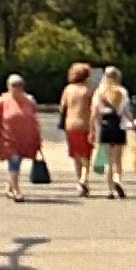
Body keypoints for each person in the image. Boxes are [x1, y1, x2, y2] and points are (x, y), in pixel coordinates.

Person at [0, 74, 43, 200]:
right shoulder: (1, 101)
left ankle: (9, 187)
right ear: (8, 86)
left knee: (17, 162)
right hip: (7, 139)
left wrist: (38, 138)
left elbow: (35, 120)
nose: (17, 88)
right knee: (14, 160)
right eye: (14, 85)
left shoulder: (30, 100)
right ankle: (17, 191)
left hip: (25, 139)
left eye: (20, 85)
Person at [90, 66, 136, 200]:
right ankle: (117, 179)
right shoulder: (122, 91)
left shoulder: (100, 92)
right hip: (119, 125)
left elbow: (94, 112)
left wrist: (93, 129)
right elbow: (127, 111)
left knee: (109, 161)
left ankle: (110, 190)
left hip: (105, 126)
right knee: (118, 159)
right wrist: (132, 123)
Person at [57, 61, 98, 196]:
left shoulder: (68, 89)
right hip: (85, 125)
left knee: (76, 155)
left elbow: (62, 107)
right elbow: (94, 109)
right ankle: (84, 180)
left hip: (70, 125)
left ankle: (79, 180)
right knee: (86, 156)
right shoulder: (90, 90)